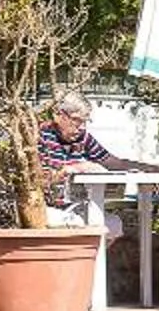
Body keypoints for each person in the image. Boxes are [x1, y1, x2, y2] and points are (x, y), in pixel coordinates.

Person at [39, 91, 138, 231]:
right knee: (87, 224)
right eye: (77, 120)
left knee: (114, 224)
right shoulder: (41, 136)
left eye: (85, 121)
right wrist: (71, 169)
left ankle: (90, 253)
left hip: (75, 207)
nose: (82, 127)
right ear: (59, 115)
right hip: (48, 208)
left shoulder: (82, 138)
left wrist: (150, 168)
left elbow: (111, 161)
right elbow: (37, 181)